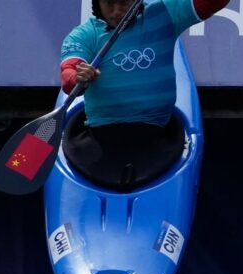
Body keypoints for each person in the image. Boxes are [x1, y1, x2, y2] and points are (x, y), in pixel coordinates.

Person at [59, 0, 230, 189]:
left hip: (157, 140)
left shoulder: (164, 14)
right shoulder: (83, 34)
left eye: (123, 3)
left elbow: (212, 3)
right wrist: (78, 77)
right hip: (100, 144)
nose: (116, 11)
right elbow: (68, 75)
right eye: (109, 3)